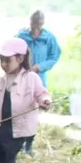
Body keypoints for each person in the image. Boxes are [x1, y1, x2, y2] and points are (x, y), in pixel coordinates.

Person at [17, 10, 61, 154]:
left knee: (32, 112)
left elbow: (54, 56)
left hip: (38, 79)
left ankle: (28, 145)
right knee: (18, 110)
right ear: (29, 23)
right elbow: (13, 53)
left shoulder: (49, 38)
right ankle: (17, 142)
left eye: (38, 27)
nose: (35, 30)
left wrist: (40, 67)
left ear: (42, 25)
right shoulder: (22, 36)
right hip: (21, 77)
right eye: (32, 26)